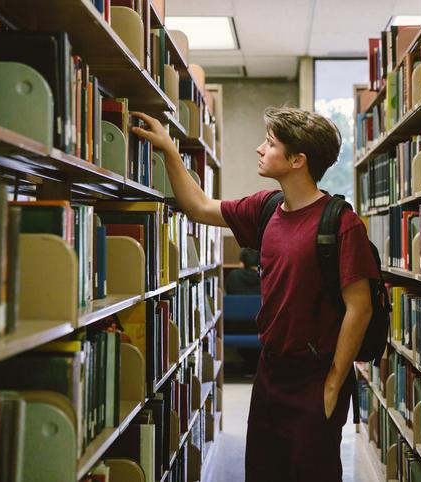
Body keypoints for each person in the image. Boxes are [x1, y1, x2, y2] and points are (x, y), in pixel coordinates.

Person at [131, 107, 379, 482]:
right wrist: (168, 148)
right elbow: (198, 207)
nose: (259, 148)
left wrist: (332, 383)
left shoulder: (340, 223)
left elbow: (359, 308)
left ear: (298, 160)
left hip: (315, 375)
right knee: (263, 471)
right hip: (270, 372)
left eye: (271, 143)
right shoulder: (264, 208)